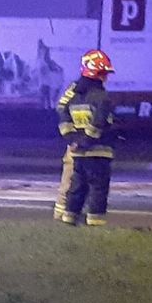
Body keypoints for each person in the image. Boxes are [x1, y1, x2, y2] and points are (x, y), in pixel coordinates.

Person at [54, 49, 116, 227]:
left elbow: (64, 114)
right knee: (97, 189)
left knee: (76, 187)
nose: (106, 77)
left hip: (78, 151)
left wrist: (73, 139)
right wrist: (84, 140)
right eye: (103, 73)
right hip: (97, 150)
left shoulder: (76, 93)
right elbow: (99, 122)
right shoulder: (100, 96)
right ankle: (94, 224)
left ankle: (68, 219)